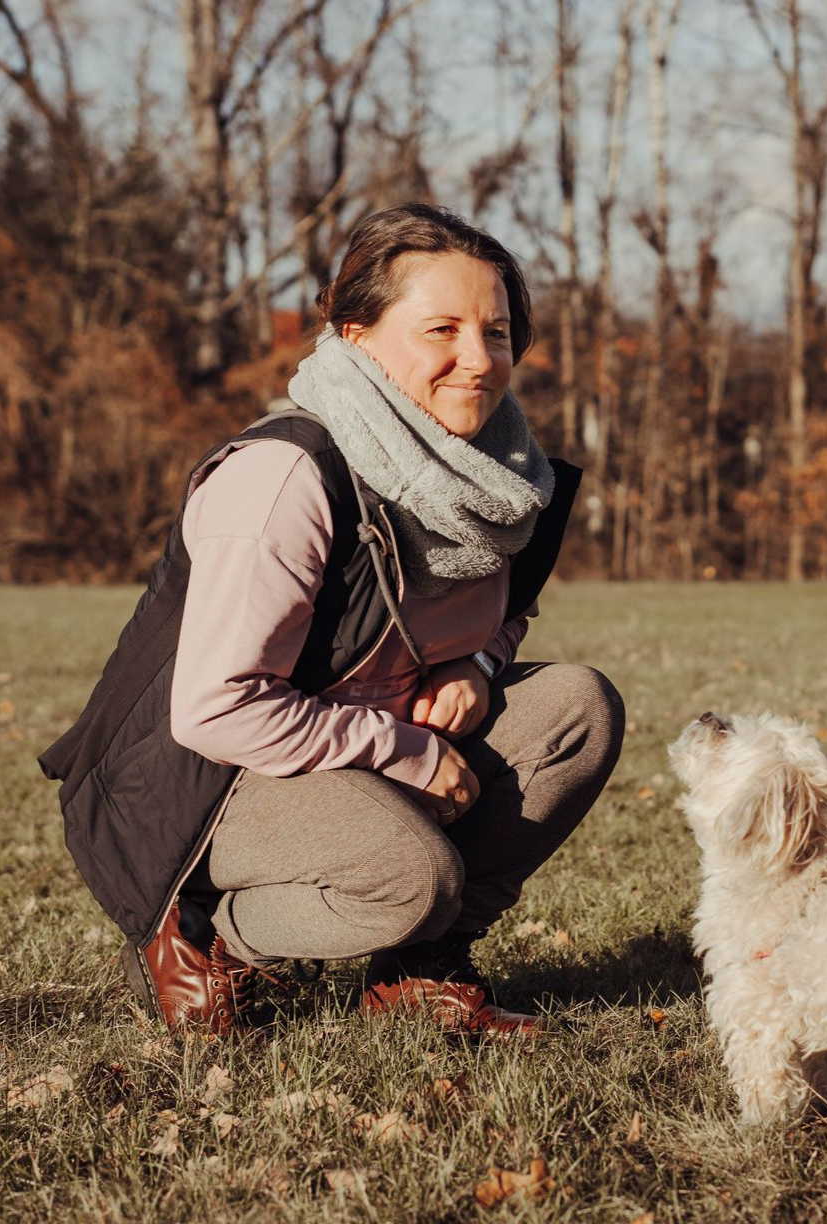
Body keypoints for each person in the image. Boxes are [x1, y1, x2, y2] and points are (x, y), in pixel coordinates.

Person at [39, 203, 624, 1037]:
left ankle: (419, 972)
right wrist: (410, 753)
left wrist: (478, 667)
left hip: (353, 742)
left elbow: (506, 610)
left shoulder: (499, 481)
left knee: (577, 707)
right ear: (355, 336)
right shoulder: (285, 477)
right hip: (205, 778)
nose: (478, 360)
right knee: (410, 875)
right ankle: (210, 937)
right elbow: (215, 707)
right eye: (441, 330)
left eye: (496, 332)